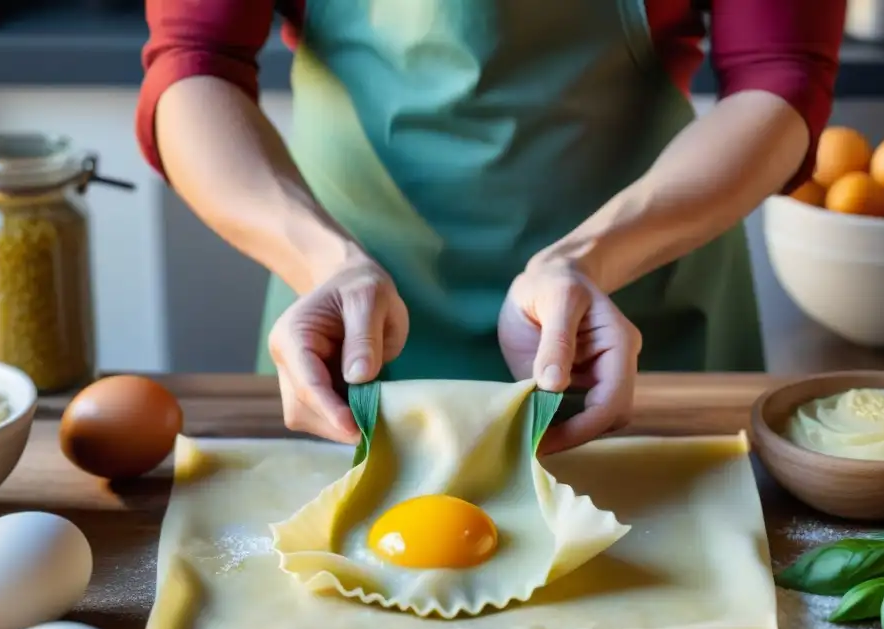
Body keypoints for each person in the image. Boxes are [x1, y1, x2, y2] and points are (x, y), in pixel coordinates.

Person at [137, 1, 845, 454]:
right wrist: (327, 265)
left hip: (630, 323)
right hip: (345, 322)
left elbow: (777, 76)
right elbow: (195, 64)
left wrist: (590, 260)